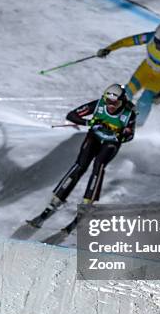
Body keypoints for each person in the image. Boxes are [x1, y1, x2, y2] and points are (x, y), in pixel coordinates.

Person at [28, 84, 136, 228]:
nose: (110, 106)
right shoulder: (99, 105)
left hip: (111, 143)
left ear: (122, 101)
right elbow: (71, 115)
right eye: (108, 101)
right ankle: (56, 200)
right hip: (94, 137)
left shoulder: (129, 113)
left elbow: (129, 136)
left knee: (98, 165)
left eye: (114, 103)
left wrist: (119, 133)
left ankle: (87, 204)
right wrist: (89, 122)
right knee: (80, 165)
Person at [96, 22, 160, 126]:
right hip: (147, 69)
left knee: (146, 98)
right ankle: (112, 116)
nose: (159, 46)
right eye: (158, 42)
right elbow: (128, 41)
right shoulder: (150, 37)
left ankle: (136, 125)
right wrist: (109, 48)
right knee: (127, 92)